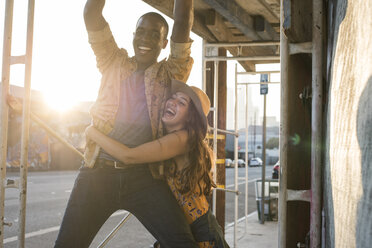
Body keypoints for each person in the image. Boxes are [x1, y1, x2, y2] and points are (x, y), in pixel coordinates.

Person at [54, 0, 197, 247]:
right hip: (97, 173)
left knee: (183, 243)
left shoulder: (170, 73)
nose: (146, 39)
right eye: (141, 32)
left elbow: (183, 21)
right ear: (133, 35)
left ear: (164, 43)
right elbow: (91, 12)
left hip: (146, 177)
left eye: (155, 35)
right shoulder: (112, 60)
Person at [85, 80, 230, 248]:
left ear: (190, 117)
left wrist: (91, 131)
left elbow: (128, 156)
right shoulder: (176, 139)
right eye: (173, 97)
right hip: (182, 231)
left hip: (202, 236)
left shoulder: (182, 139)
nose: (172, 103)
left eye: (181, 103)